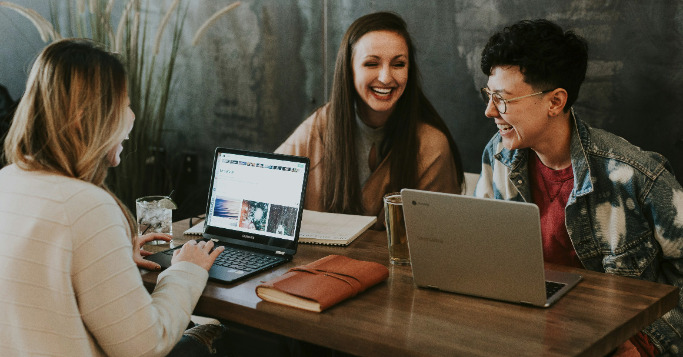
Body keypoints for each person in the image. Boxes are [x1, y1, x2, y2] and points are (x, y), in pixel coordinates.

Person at [0, 39, 228, 356]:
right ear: (84, 118)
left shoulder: (7, 180)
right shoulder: (86, 205)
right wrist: (186, 270)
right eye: (123, 105)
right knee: (218, 334)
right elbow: (146, 346)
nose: (132, 116)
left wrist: (112, 254)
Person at [475, 19, 683, 356]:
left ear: (555, 101)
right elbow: (480, 254)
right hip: (528, 332)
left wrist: (646, 343)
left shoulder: (636, 176)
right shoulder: (497, 156)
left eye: (502, 100)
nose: (489, 111)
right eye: (489, 95)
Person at [276, 11, 464, 226]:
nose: (386, 77)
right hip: (320, 259)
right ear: (349, 70)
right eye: (371, 64)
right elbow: (265, 188)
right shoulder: (321, 125)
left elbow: (438, 239)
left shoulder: (431, 145)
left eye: (398, 64)